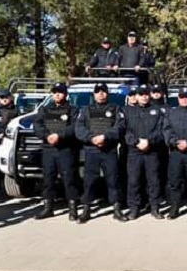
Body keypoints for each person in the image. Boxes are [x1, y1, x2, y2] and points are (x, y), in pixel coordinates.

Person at [75, 83, 126, 223]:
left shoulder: (116, 109)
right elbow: (79, 129)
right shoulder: (86, 110)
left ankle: (116, 208)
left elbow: (120, 128)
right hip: (91, 150)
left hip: (109, 149)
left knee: (113, 180)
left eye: (103, 91)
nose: (101, 94)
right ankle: (86, 209)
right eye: (98, 91)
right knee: (89, 180)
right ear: (94, 94)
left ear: (107, 93)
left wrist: (105, 137)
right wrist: (92, 138)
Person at [32, 83, 80, 221]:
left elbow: (74, 127)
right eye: (55, 92)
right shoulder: (44, 109)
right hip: (48, 149)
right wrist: (47, 136)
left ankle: (73, 208)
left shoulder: (73, 109)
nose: (57, 94)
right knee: (48, 178)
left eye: (60, 92)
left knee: (69, 178)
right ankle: (48, 208)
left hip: (65, 148)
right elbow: (37, 125)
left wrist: (60, 135)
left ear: (65, 94)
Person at [121, 84, 165, 220]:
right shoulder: (128, 111)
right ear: (136, 96)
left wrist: (149, 141)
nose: (144, 97)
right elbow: (125, 131)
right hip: (134, 151)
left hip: (152, 151)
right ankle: (134, 208)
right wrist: (136, 142)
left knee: (153, 181)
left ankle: (155, 208)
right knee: (134, 181)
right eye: (141, 94)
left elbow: (161, 130)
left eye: (146, 94)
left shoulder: (157, 110)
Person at [163, 87, 187, 219]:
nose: (184, 99)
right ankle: (175, 207)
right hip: (176, 152)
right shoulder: (171, 113)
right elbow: (167, 130)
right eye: (182, 97)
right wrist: (175, 142)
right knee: (174, 181)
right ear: (178, 98)